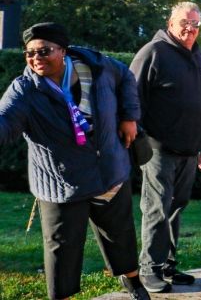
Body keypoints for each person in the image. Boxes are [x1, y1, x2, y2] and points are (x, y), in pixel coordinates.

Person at [0, 23, 150, 300]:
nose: (36, 59)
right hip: (61, 183)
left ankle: (133, 282)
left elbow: (127, 77)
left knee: (120, 234)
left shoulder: (99, 66)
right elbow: (5, 121)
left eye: (44, 51)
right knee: (62, 248)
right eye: (29, 53)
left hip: (108, 170)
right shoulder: (24, 90)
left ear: (63, 51)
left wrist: (130, 116)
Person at [131, 2, 201, 292]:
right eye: (184, 22)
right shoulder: (153, 52)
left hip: (190, 152)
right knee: (156, 209)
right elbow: (131, 98)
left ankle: (167, 265)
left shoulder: (198, 56)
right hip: (158, 149)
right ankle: (148, 269)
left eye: (195, 23)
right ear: (170, 22)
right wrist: (138, 140)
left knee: (176, 209)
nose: (190, 28)